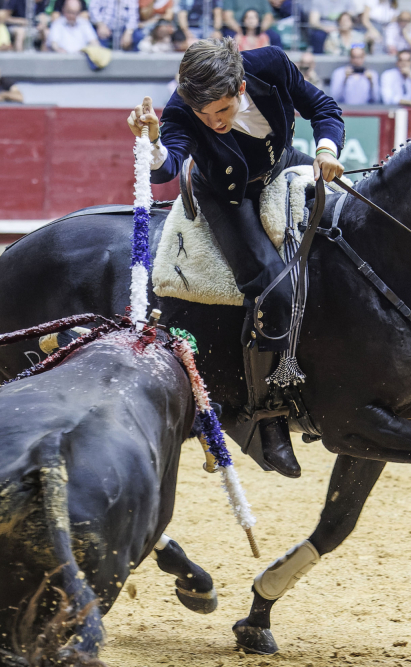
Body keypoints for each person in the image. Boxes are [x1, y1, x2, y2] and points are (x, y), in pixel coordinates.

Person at [126, 40, 344, 478]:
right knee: (273, 291)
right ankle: (264, 418)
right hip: (227, 196)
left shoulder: (272, 64)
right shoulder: (185, 107)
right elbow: (168, 167)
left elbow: (322, 107)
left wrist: (326, 151)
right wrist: (151, 141)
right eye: (204, 116)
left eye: (221, 111)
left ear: (241, 86)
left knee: (347, 243)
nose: (214, 122)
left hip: (282, 163)